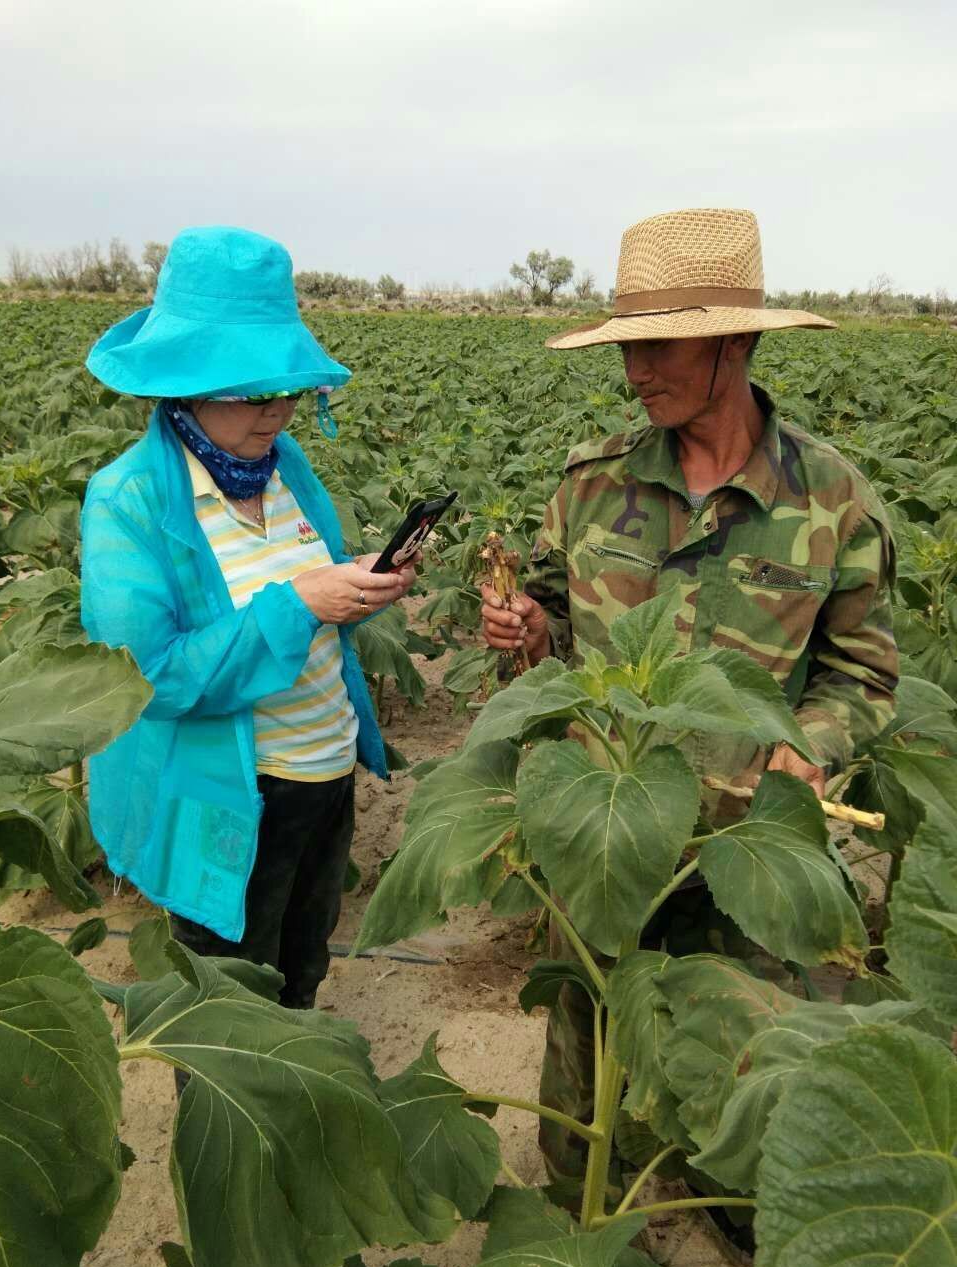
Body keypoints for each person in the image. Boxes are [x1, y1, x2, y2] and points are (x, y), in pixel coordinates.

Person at [480, 207, 898, 1193]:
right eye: (628, 347)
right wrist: (528, 637)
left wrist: (809, 746)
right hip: (606, 831)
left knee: (736, 1072)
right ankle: (581, 1195)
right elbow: (551, 628)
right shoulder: (591, 485)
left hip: (738, 843)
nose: (636, 370)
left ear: (736, 341)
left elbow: (864, 672)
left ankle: (730, 1206)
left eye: (660, 345)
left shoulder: (833, 501)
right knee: (587, 1060)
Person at [81, 225, 416, 1014]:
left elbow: (311, 607)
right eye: (250, 391)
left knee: (299, 978)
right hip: (229, 804)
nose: (275, 413)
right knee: (227, 1012)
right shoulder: (130, 500)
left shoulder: (284, 468)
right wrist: (299, 605)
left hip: (324, 780)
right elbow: (148, 677)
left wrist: (357, 588)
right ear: (183, 385)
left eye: (287, 389)